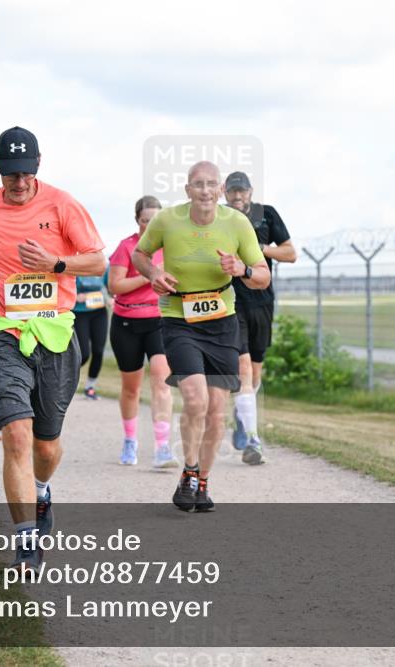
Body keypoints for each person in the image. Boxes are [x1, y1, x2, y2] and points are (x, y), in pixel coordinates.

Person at [0, 126, 104, 570]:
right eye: (11, 173)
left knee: (45, 448)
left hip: (55, 332)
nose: (20, 182)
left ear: (39, 165)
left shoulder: (63, 204)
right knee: (16, 435)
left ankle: (42, 491)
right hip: (4, 329)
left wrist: (56, 264)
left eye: (26, 173)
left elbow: (97, 260)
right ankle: (26, 541)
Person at [132, 161, 269, 512]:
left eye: (211, 184)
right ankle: (189, 472)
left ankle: (202, 482)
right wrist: (154, 274)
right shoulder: (167, 220)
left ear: (220, 189)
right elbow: (140, 255)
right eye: (198, 184)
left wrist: (242, 269)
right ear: (187, 189)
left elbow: (262, 277)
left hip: (222, 322)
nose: (205, 191)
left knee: (217, 411)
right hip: (179, 318)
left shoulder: (236, 223)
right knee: (195, 400)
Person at [223, 171, 297, 464]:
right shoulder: (220, 218)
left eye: (242, 191)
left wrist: (259, 248)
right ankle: (253, 440)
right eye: (232, 191)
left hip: (262, 301)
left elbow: (290, 253)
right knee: (242, 368)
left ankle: (243, 414)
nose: (237, 196)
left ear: (250, 191)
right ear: (225, 193)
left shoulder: (267, 215)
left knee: (254, 372)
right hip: (232, 302)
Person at [108, 196, 177, 468]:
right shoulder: (127, 247)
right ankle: (130, 440)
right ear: (137, 220)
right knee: (131, 388)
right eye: (145, 220)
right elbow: (115, 286)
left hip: (160, 320)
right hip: (126, 323)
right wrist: (150, 274)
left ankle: (162, 447)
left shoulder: (171, 247)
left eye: (155, 220)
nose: (150, 225)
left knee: (161, 380)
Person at [72, 274, 108, 401]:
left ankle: (90, 387)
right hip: (80, 312)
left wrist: (110, 298)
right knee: (84, 354)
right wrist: (75, 296)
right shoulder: (76, 267)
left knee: (98, 351)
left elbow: (111, 287)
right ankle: (67, 378)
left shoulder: (104, 267)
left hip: (99, 312)